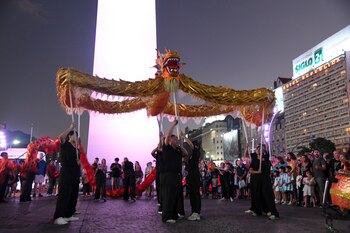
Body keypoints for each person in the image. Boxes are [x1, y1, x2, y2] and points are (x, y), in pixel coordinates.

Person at [160, 120, 187, 223]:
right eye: (174, 139)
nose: (176, 140)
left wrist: (180, 145)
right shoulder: (167, 148)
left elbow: (185, 153)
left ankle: (174, 215)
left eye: (176, 139)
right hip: (168, 175)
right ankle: (166, 217)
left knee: (175, 196)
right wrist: (173, 125)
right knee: (168, 196)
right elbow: (166, 138)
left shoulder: (177, 150)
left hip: (176, 175)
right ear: (170, 140)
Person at [53, 124, 81, 225]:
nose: (77, 138)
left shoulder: (77, 149)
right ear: (70, 136)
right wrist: (70, 128)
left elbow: (78, 162)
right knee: (64, 193)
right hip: (66, 171)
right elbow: (60, 138)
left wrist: (79, 163)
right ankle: (59, 216)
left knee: (73, 193)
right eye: (75, 136)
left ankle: (68, 214)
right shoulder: (65, 145)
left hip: (75, 172)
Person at [181, 133, 201, 221]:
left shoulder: (196, 152)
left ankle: (196, 212)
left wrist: (184, 136)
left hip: (194, 176)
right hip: (191, 176)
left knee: (195, 194)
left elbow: (191, 144)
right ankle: (195, 211)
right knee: (192, 194)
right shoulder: (192, 154)